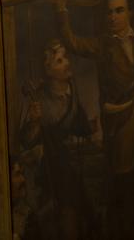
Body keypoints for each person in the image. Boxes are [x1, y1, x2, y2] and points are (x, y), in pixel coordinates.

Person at [54, 0, 134, 239]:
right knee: (123, 190)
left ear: (131, 13)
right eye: (109, 12)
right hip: (119, 127)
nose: (113, 17)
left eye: (119, 11)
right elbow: (71, 42)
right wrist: (61, 9)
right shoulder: (102, 45)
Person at [18, 39, 94, 239]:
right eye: (59, 61)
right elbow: (26, 141)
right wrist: (34, 122)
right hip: (52, 172)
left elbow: (81, 125)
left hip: (73, 168)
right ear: (49, 71)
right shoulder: (40, 100)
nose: (67, 63)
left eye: (66, 57)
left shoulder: (72, 92)